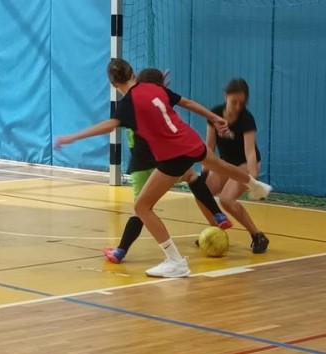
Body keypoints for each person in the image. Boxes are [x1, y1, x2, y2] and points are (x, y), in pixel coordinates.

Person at [56, 58, 272, 278]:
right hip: (190, 141)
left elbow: (109, 126)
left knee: (142, 207)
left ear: (113, 84)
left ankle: (175, 261)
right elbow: (188, 103)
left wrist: (73, 137)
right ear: (133, 73)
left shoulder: (128, 104)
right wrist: (214, 117)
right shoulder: (154, 88)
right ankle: (255, 185)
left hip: (173, 155)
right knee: (220, 165)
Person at [104, 67, 231, 265]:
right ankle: (217, 213)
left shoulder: (130, 105)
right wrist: (160, 89)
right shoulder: (152, 103)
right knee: (192, 176)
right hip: (162, 158)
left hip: (140, 165)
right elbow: (162, 105)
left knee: (141, 209)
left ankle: (120, 251)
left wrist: (157, 88)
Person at [189, 78, 270, 253]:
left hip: (245, 164)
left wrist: (253, 179)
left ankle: (257, 235)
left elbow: (250, 151)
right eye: (234, 102)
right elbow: (209, 146)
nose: (237, 106)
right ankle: (215, 231)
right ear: (226, 96)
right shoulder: (215, 114)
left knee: (226, 200)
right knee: (201, 194)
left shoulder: (246, 119)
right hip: (225, 163)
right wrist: (205, 172)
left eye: (242, 103)